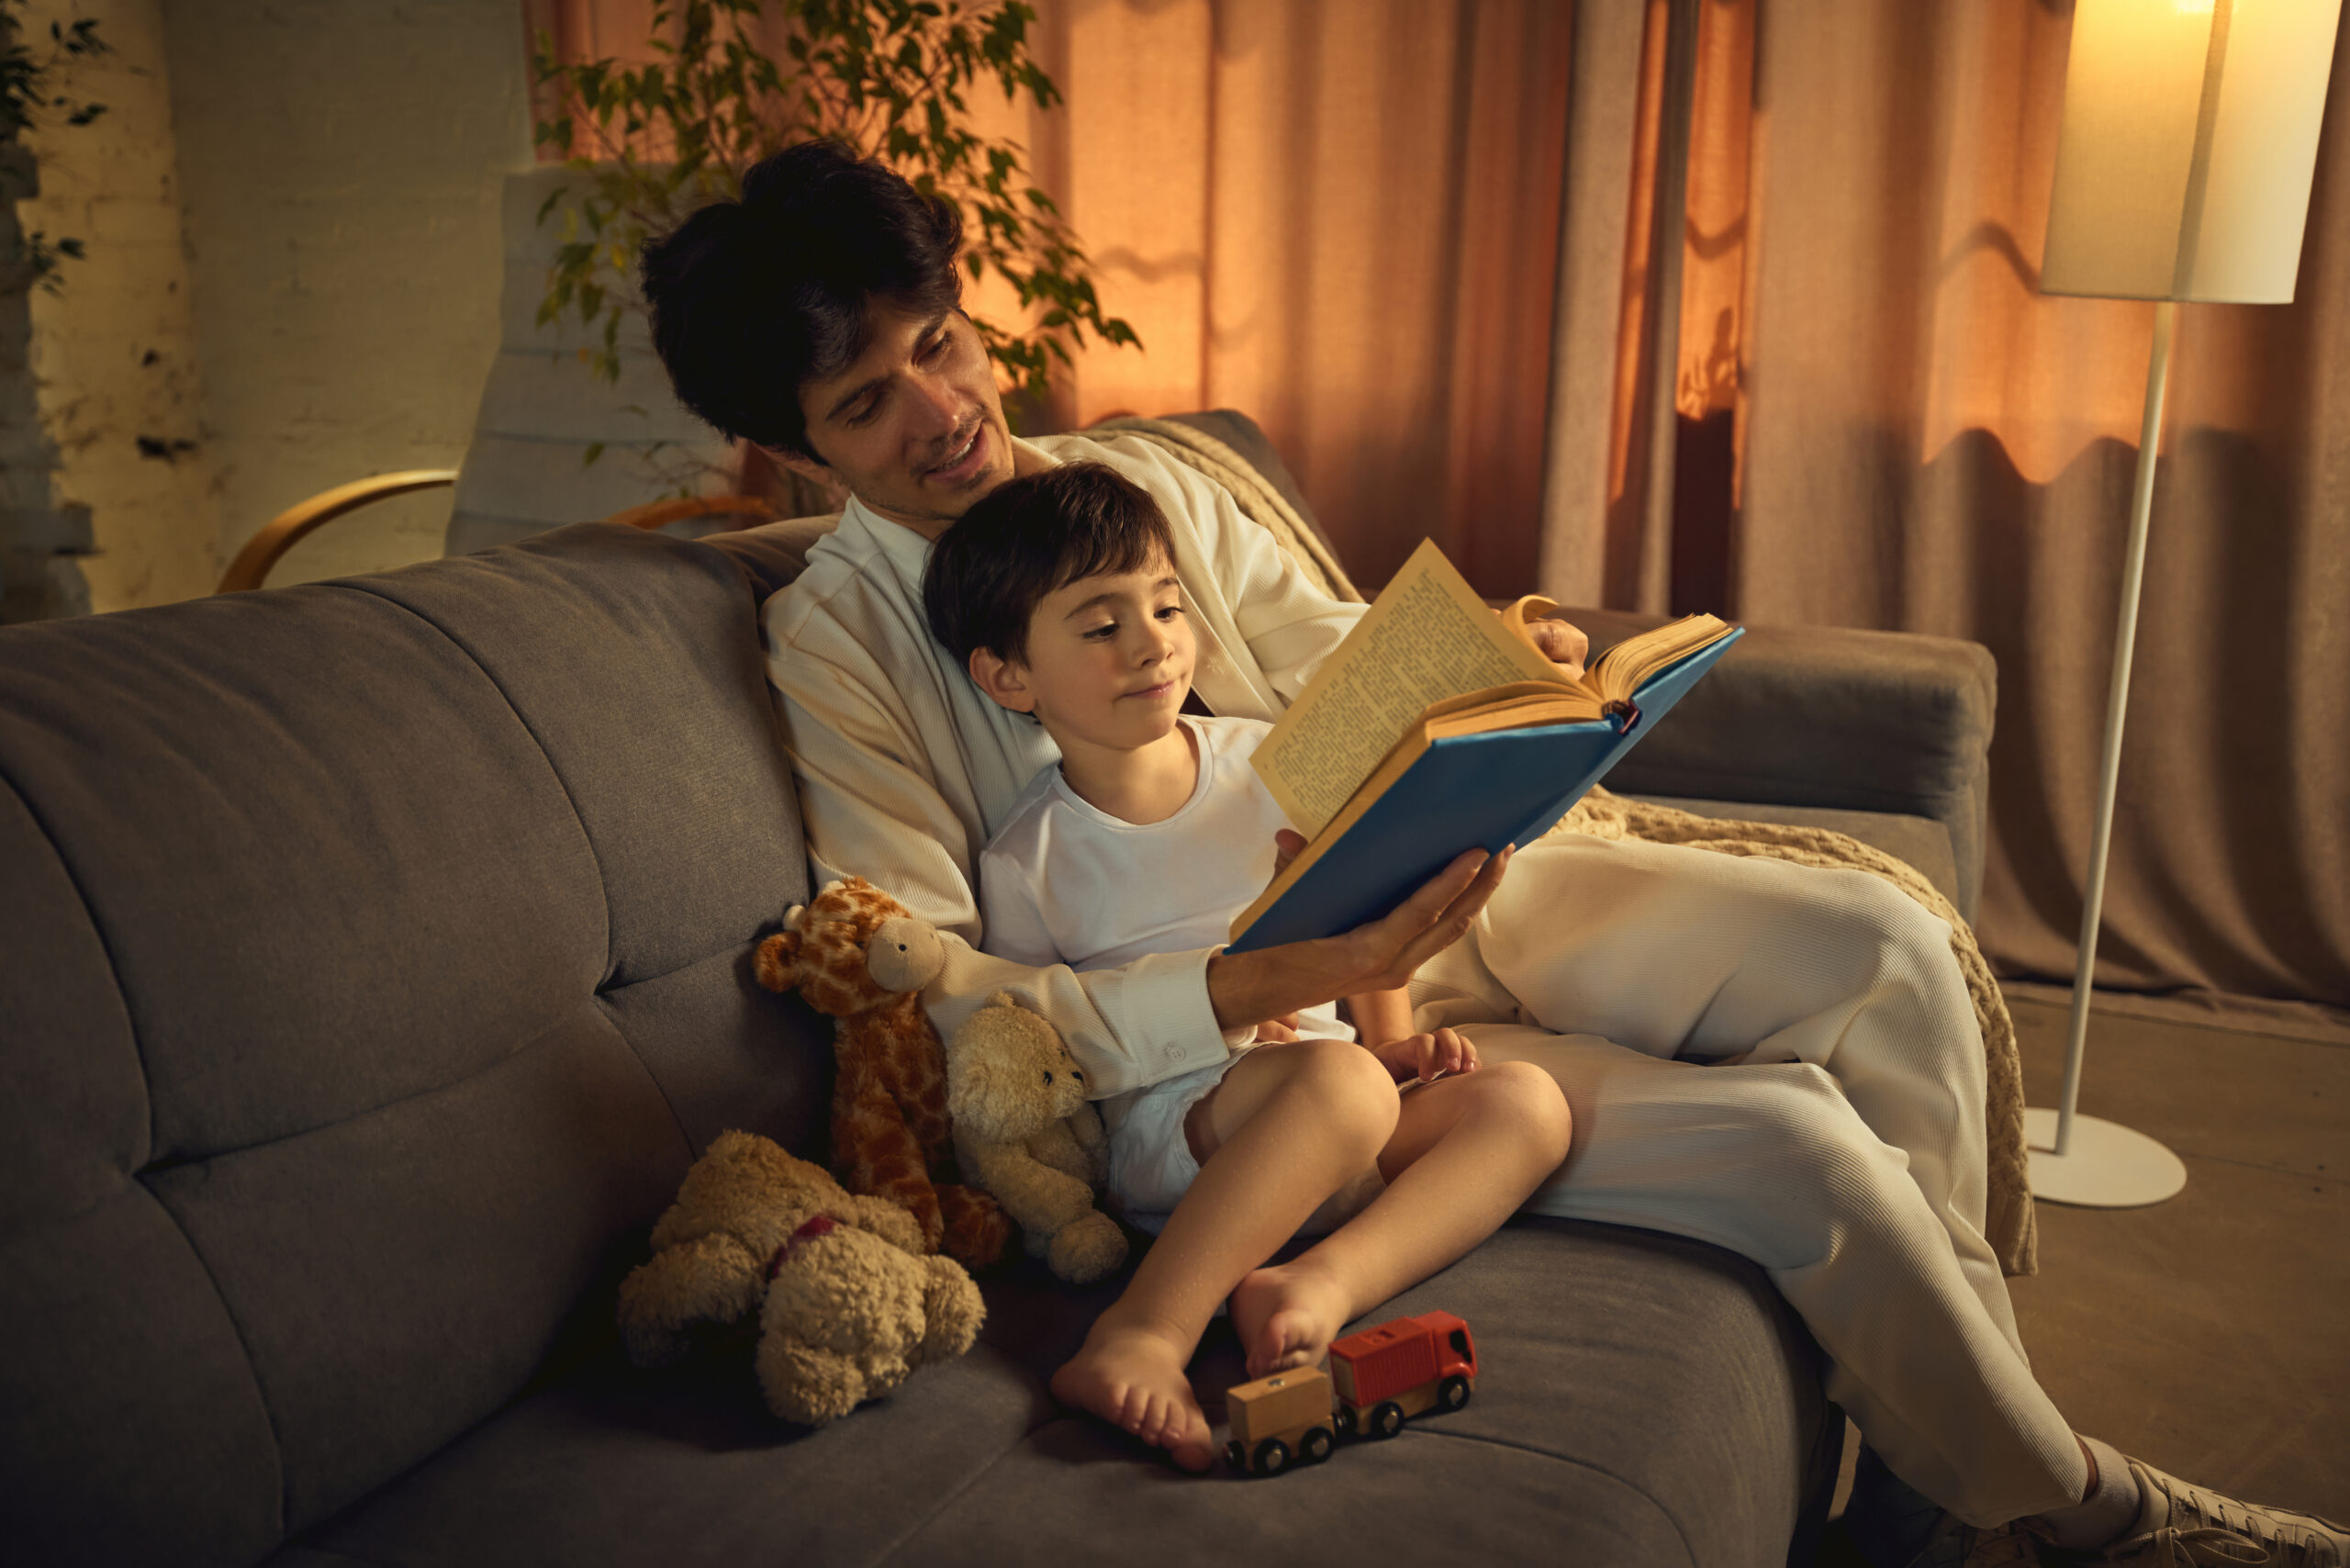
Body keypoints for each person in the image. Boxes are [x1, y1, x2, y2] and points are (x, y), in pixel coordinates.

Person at [638, 138, 2346, 1566]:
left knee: (1887, 951)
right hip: (1253, 1053)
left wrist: (1495, 677)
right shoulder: (838, 642)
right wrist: (1283, 979)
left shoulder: (1140, 482)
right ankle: (2068, 1502)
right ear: (792, 449)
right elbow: (944, 990)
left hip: (1450, 901)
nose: (945, 411)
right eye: (869, 402)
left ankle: (1945, 1490)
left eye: (944, 341)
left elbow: (1343, 672)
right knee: (1800, 1149)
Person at [922, 459, 1573, 1438]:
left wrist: (1391, 1044)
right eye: (1100, 628)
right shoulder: (1029, 856)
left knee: (1527, 1105)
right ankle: (1143, 1330)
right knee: (1341, 1087)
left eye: (1166, 608)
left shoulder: (1259, 761)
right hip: (1180, 1133)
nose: (1152, 643)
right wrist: (1242, 1043)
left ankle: (1317, 1283)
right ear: (1008, 676)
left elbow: (1356, 918)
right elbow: (1039, 1060)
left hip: (1335, 1098)